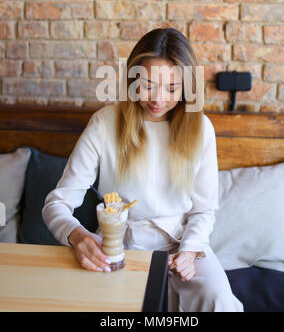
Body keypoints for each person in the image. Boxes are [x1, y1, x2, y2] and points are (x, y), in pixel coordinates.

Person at [42, 27, 243, 312]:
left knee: (220, 303)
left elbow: (203, 210)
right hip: (118, 246)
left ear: (187, 86)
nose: (157, 99)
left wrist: (190, 250)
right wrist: (78, 236)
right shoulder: (104, 123)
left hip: (182, 244)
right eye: (147, 84)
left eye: (172, 88)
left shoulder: (201, 129)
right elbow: (56, 204)